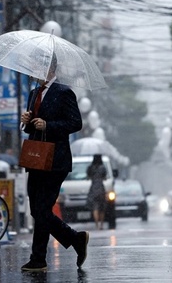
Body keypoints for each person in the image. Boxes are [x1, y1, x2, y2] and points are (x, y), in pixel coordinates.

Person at [19, 63, 88, 272]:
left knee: (42, 209)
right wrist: (27, 122)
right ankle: (75, 239)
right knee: (36, 209)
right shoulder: (34, 93)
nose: (31, 71)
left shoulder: (64, 92)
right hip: (36, 158)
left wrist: (49, 125)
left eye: (35, 67)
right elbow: (31, 127)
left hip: (56, 160)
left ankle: (38, 258)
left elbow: (75, 123)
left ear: (48, 69)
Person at [86, 154, 107, 230]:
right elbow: (105, 178)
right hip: (101, 188)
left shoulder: (90, 168)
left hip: (93, 188)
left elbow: (88, 177)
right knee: (102, 208)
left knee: (95, 207)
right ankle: (101, 224)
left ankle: (97, 225)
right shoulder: (103, 168)